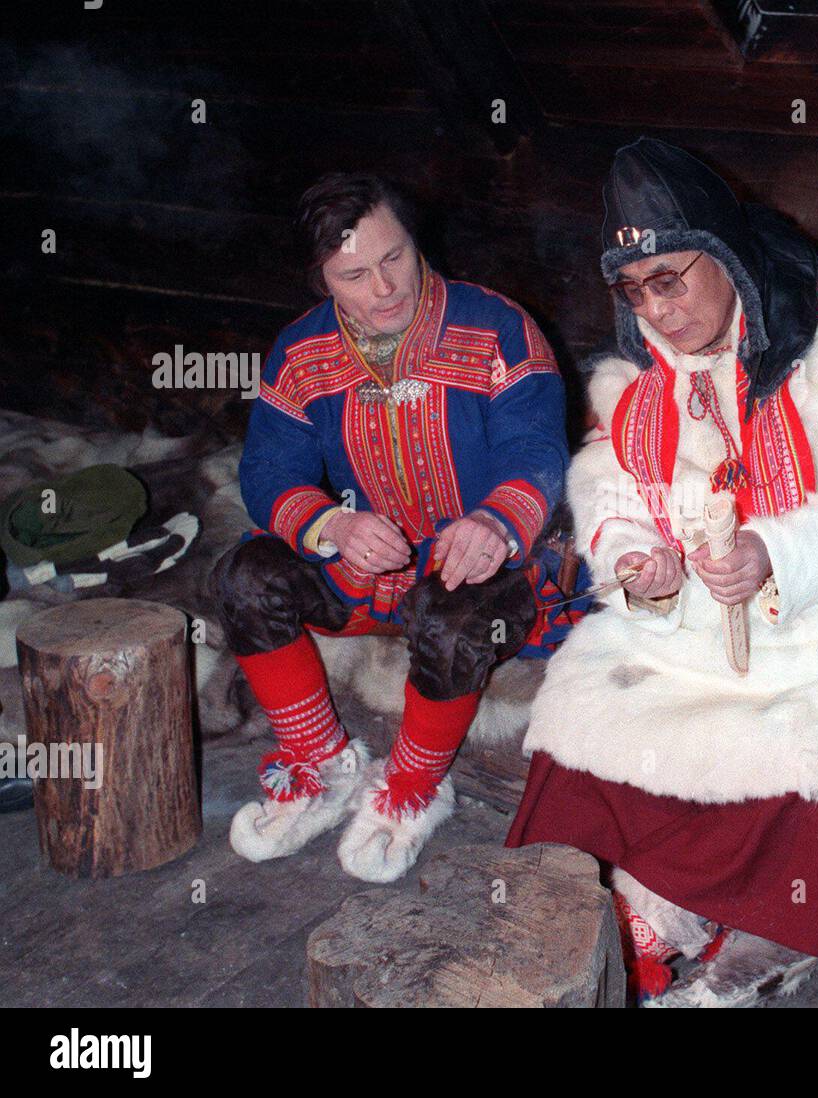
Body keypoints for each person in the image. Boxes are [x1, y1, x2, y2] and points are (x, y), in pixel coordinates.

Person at [505, 137, 818, 998]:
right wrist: (635, 558)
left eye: (672, 281)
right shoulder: (644, 372)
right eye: (634, 290)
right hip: (705, 592)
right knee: (588, 700)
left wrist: (778, 551)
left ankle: (762, 926)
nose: (655, 311)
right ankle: (641, 904)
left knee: (815, 737)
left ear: (727, 256)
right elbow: (610, 479)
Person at [212, 172, 567, 883]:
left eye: (395, 257)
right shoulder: (300, 353)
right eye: (353, 274)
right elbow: (268, 472)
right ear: (321, 280)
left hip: (485, 562)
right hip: (367, 568)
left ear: (415, 241)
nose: (384, 287)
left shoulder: (498, 329)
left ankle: (412, 788)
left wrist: (496, 521)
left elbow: (537, 449)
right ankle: (323, 765)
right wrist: (331, 525)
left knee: (454, 617)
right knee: (244, 576)